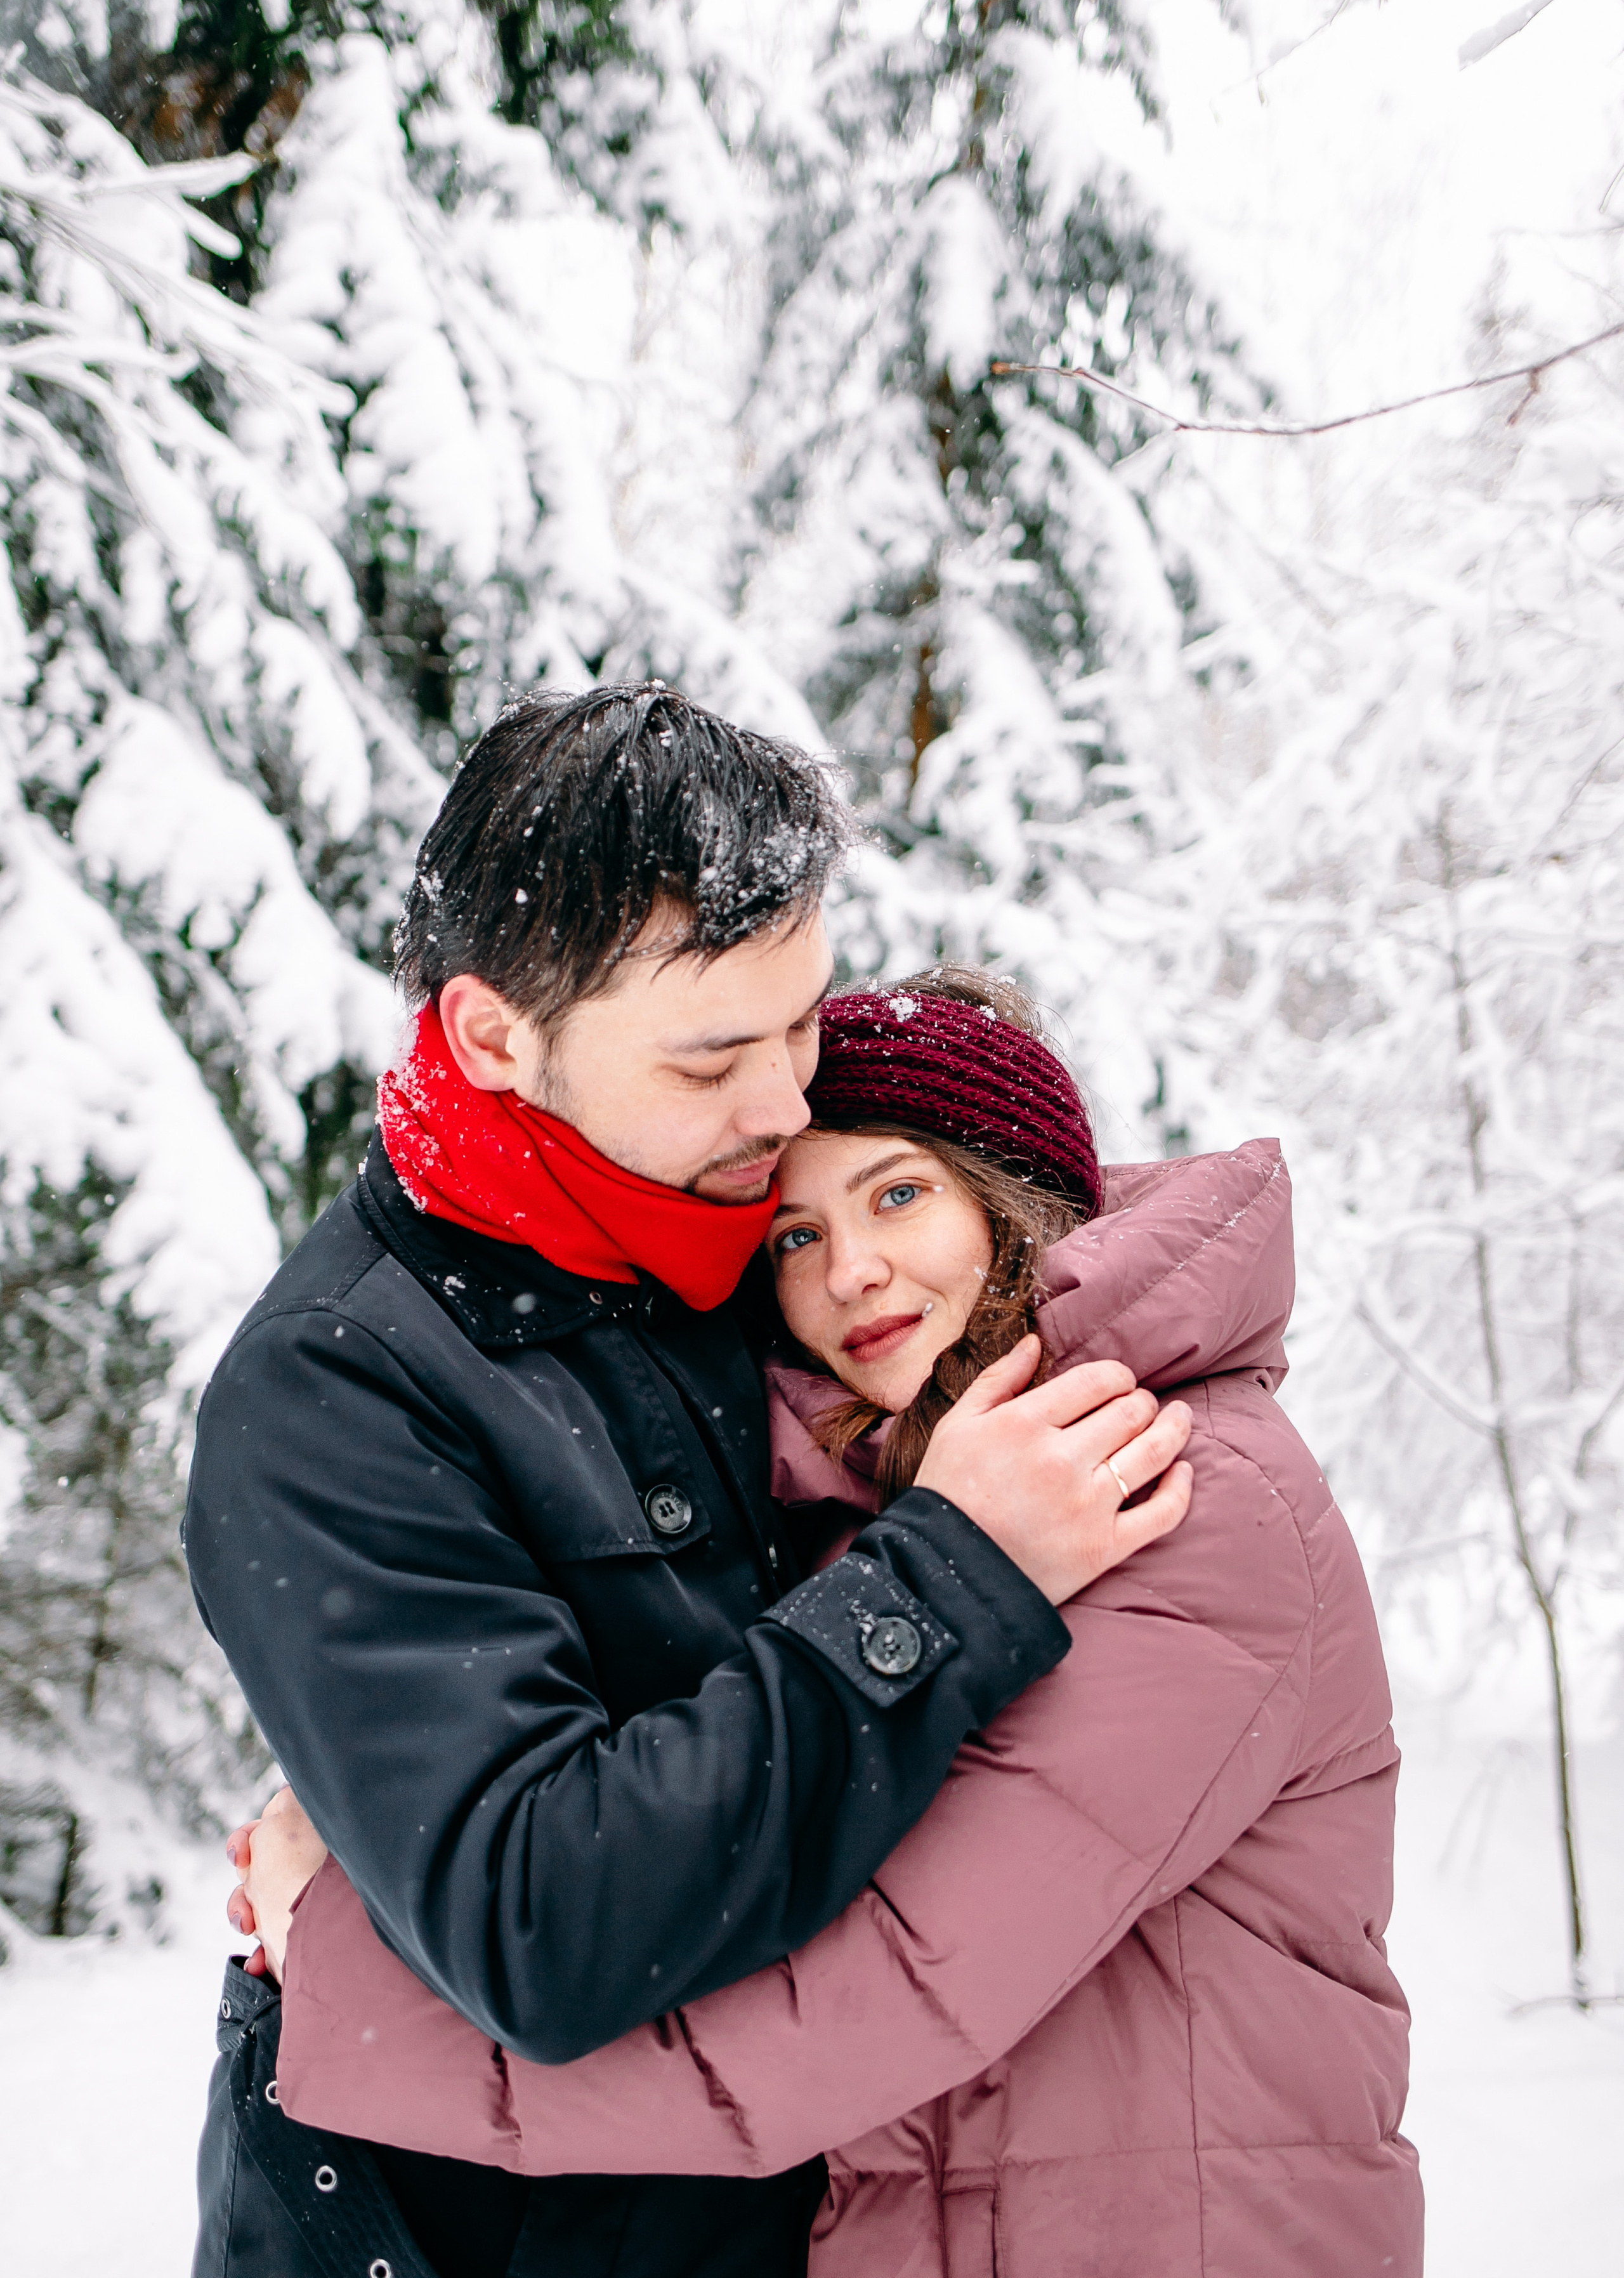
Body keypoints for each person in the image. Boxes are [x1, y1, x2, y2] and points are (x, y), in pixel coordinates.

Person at [183, 690, 1193, 2278]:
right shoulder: (337, 1391)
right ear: (495, 1037)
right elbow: (544, 1921)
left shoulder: (750, 1249)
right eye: (717, 1055)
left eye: (801, 1024)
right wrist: (951, 1578)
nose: (787, 1107)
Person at [234, 971, 1423, 2278]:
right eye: (793, 1238)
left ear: (1017, 1199)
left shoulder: (1173, 1498)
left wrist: (343, 1987)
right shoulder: (900, 1512)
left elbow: (852, 2008)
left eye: (897, 1194)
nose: (850, 1272)